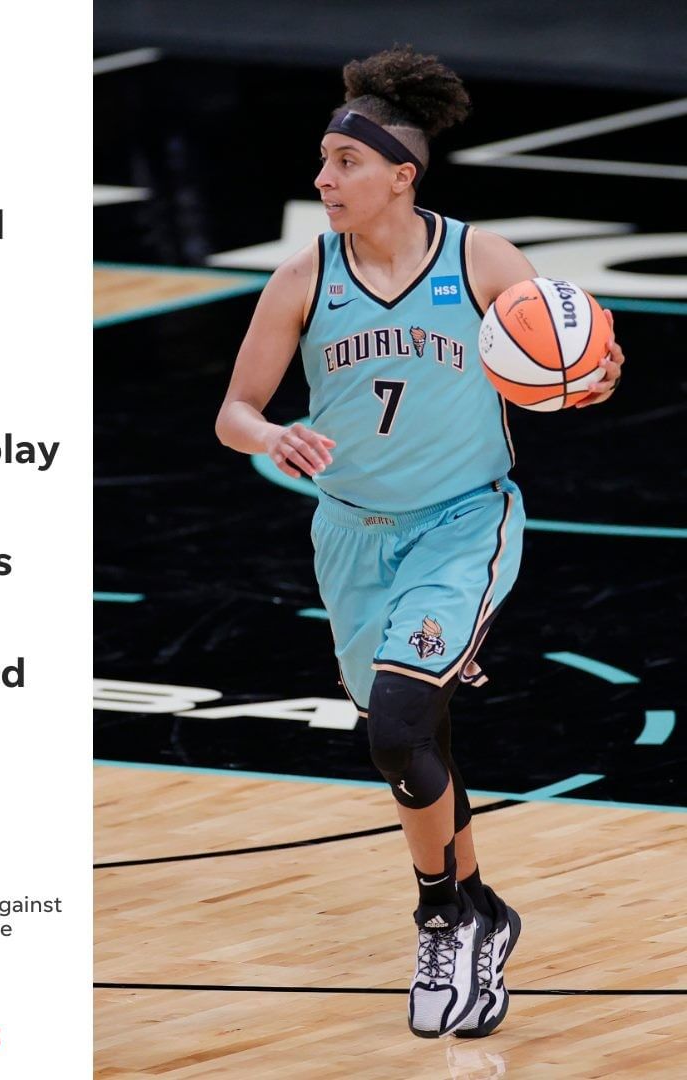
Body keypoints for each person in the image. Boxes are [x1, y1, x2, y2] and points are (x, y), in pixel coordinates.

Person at [215, 45, 625, 1039]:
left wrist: (590, 374)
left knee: (399, 723)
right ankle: (478, 908)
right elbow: (234, 411)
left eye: (344, 162)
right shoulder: (303, 277)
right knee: (410, 740)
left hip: (462, 521)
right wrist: (272, 436)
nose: (323, 179)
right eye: (322, 162)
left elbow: (564, 349)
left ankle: (440, 918)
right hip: (351, 536)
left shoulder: (481, 261)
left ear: (401, 173)